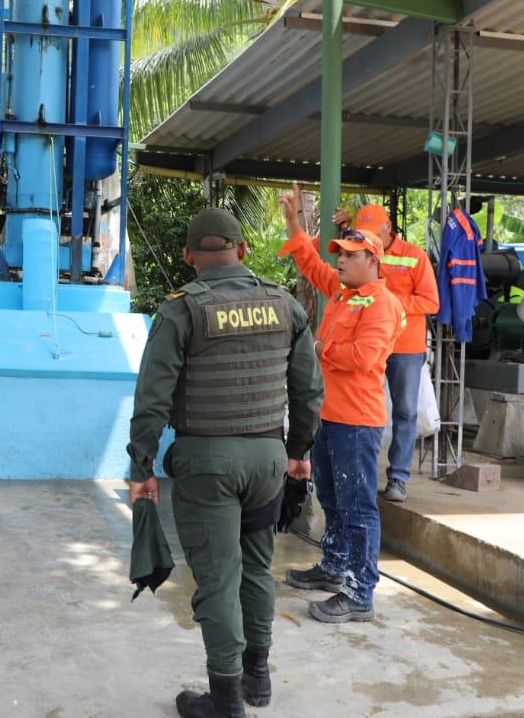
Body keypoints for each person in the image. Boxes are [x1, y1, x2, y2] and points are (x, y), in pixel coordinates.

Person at [128, 207, 325, 718]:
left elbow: (151, 399)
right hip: (267, 463)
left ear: (190, 255)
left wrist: (141, 468)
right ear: (242, 251)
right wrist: (298, 454)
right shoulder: (284, 305)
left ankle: (226, 702)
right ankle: (258, 678)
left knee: (218, 577)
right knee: (257, 566)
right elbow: (309, 391)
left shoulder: (181, 311)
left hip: (207, 466)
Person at [278, 186, 406, 624]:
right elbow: (310, 262)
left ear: (373, 260)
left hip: (357, 422)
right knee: (331, 497)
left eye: (350, 255)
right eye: (341, 254)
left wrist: (318, 346)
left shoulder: (381, 303)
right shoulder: (342, 292)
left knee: (357, 508)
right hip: (330, 417)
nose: (341, 261)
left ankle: (359, 591)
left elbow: (365, 357)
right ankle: (333, 568)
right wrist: (295, 222)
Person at [329, 204, 438, 502]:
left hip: (405, 347)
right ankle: (360, 474)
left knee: (404, 412)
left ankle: (398, 479)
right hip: (369, 346)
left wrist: (389, 302)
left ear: (387, 228)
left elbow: (431, 302)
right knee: (360, 408)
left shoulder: (415, 256)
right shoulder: (359, 250)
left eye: (370, 232)